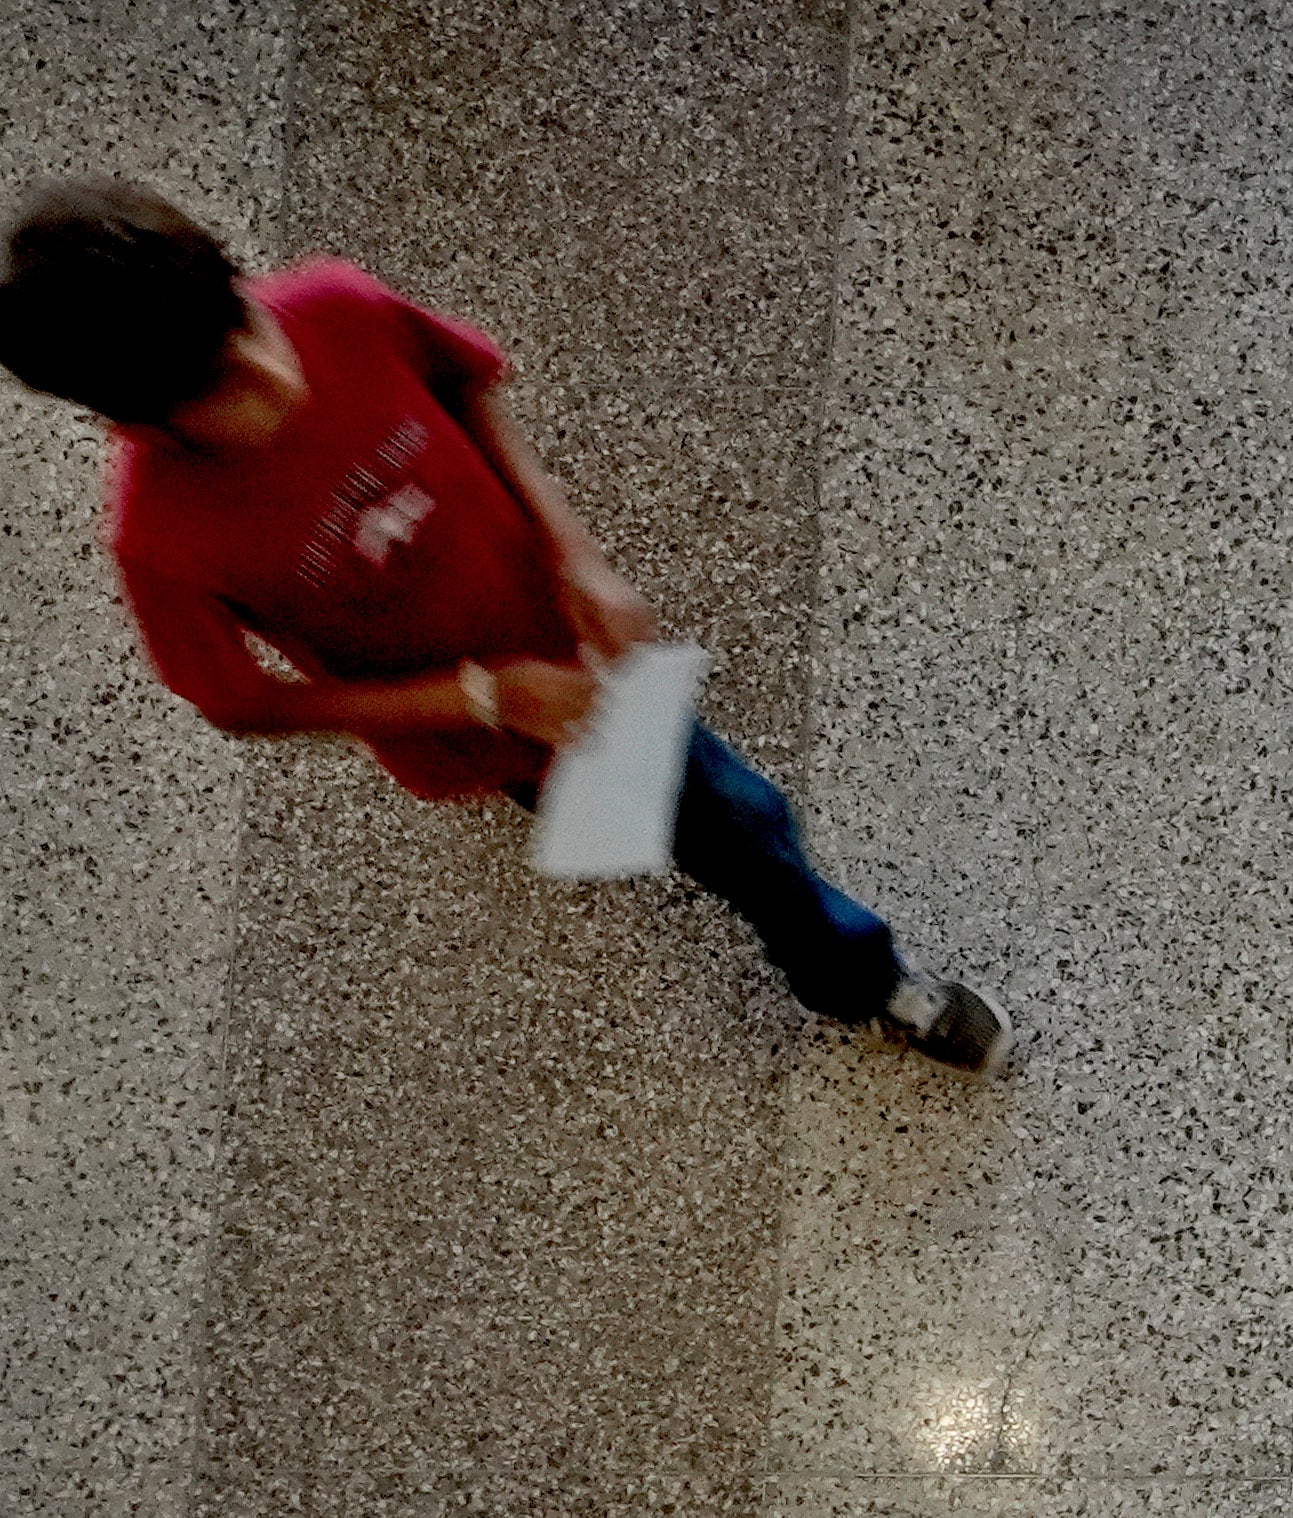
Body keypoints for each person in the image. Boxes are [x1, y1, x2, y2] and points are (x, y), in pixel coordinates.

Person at [1, 182, 1009, 1068]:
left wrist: (575, 551)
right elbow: (240, 702)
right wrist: (479, 698)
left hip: (556, 641)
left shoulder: (329, 305)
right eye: (219, 385)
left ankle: (795, 936)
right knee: (741, 822)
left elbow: (464, 383)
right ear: (133, 419)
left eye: (244, 328)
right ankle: (861, 981)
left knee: (702, 814)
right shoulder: (158, 539)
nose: (273, 376)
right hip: (483, 718)